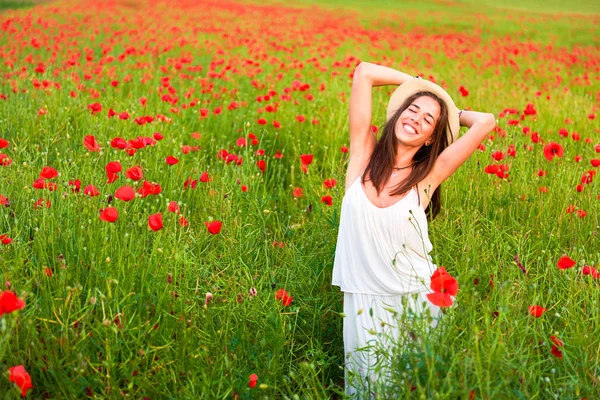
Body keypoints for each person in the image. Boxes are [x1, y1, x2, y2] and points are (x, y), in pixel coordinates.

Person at [331, 62, 496, 397]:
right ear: (398, 113)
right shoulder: (363, 157)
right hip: (361, 303)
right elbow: (364, 72)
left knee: (410, 391)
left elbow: (486, 121)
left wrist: (448, 106)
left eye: (427, 120)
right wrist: (417, 84)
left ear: (431, 137)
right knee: (365, 392)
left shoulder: (427, 177)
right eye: (411, 109)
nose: (414, 120)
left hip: (414, 305)